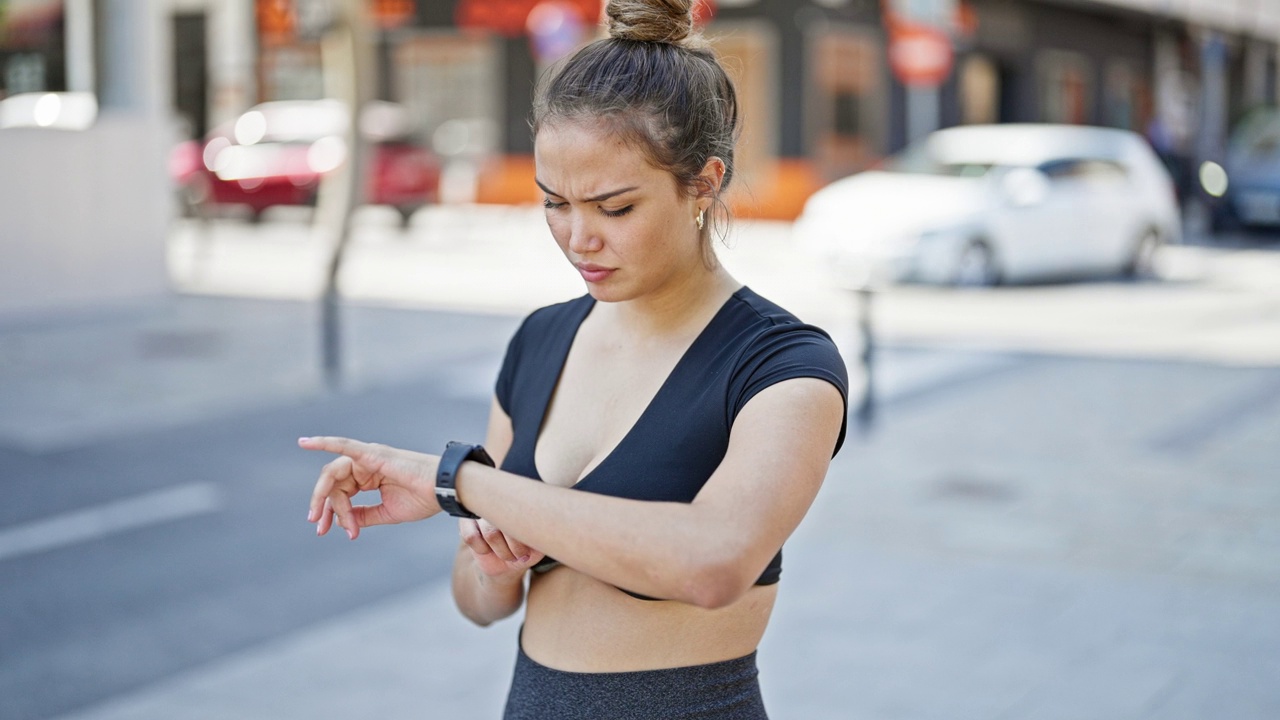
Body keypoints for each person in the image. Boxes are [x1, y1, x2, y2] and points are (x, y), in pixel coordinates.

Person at [301, 1, 849, 716]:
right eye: (554, 202)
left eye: (614, 207)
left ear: (705, 184)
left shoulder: (781, 366)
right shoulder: (540, 340)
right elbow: (478, 602)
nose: (577, 237)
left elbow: (713, 562)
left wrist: (461, 484)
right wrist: (494, 562)